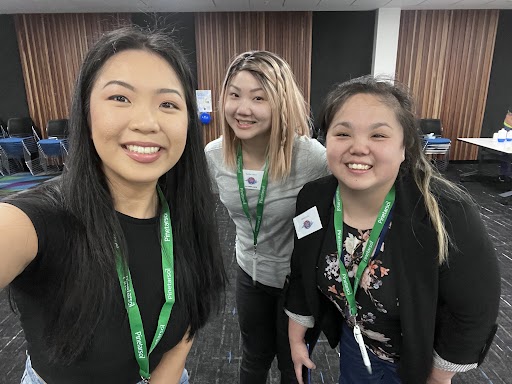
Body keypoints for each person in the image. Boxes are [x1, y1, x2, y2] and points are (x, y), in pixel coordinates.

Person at [0, 27, 226, 384]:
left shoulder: (190, 210)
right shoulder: (33, 220)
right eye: (120, 98)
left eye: (168, 103)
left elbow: (188, 319)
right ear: (86, 113)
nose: (147, 123)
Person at [284, 76, 500, 384]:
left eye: (378, 135)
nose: (358, 147)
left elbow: (476, 308)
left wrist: (438, 376)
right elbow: (302, 267)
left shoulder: (446, 212)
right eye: (343, 133)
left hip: (419, 360)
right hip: (356, 345)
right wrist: (296, 337)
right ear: (326, 140)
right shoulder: (314, 199)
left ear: (404, 148)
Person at [204, 51, 329, 383]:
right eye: (234, 95)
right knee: (254, 358)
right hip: (249, 272)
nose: (243, 108)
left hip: (298, 281)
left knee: (293, 365)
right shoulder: (216, 156)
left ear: (281, 102)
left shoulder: (312, 158)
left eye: (258, 98)